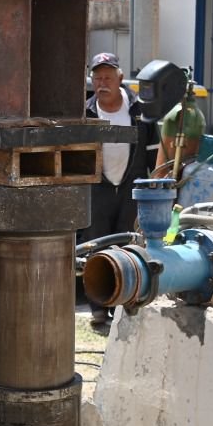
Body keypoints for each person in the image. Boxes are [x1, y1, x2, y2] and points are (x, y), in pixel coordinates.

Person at [78, 52, 153, 333]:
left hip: (131, 188)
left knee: (127, 244)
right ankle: (98, 309)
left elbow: (154, 152)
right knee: (95, 245)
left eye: (108, 77)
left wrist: (156, 185)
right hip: (98, 188)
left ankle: (123, 304)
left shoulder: (138, 110)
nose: (102, 83)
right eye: (97, 78)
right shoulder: (86, 112)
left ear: (120, 78)